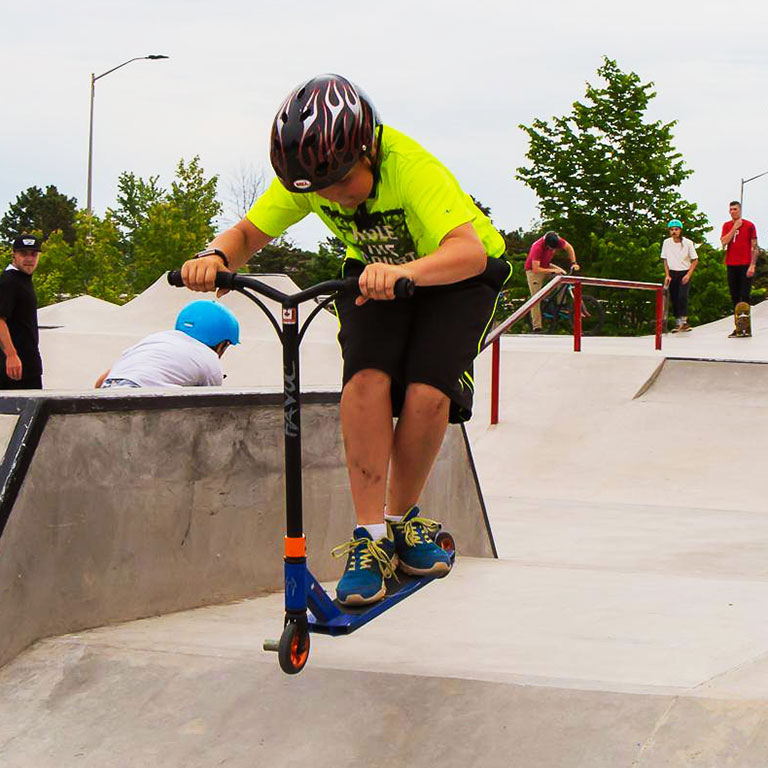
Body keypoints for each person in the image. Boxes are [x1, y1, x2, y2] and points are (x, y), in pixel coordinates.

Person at [180, 73, 511, 606]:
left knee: (428, 392)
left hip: (457, 275)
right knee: (364, 381)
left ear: (368, 151)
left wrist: (405, 273)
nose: (334, 199)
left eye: (340, 185)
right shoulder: (307, 177)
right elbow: (248, 234)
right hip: (375, 272)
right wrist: (214, 258)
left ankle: (402, 521)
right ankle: (370, 539)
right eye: (321, 192)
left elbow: (469, 251)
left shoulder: (411, 167)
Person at [94, 300, 239, 389]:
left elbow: (100, 382)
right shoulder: (210, 360)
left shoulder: (155, 339)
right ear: (222, 344)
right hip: (146, 405)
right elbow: (212, 408)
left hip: (109, 391)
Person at [0, 235, 43, 390]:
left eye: (34, 254)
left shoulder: (23, 280)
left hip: (28, 364)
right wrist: (11, 355)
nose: (29, 258)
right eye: (24, 254)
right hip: (13, 369)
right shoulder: (9, 281)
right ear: (14, 255)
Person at [524, 231, 579, 332]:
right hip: (533, 271)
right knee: (536, 298)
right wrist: (553, 270)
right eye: (550, 248)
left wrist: (573, 263)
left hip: (546, 265)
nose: (553, 250)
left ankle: (560, 304)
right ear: (546, 243)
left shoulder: (556, 240)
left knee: (563, 276)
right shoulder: (537, 247)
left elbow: (569, 248)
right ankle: (537, 326)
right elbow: (536, 269)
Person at [720, 201, 758, 337]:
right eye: (730, 209)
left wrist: (752, 264)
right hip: (731, 264)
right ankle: (738, 326)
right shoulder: (727, 225)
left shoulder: (749, 225)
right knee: (734, 296)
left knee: (745, 295)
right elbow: (724, 242)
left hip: (745, 264)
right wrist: (734, 227)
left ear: (740, 210)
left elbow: (755, 246)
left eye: (735, 209)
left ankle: (746, 326)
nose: (732, 212)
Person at [661, 219, 698, 332]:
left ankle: (684, 321)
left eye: (676, 229)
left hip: (684, 272)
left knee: (683, 296)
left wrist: (688, 274)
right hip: (672, 272)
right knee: (674, 297)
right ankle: (678, 323)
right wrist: (667, 275)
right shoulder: (667, 242)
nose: (674, 232)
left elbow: (695, 260)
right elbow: (665, 260)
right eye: (672, 230)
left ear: (680, 230)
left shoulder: (687, 243)